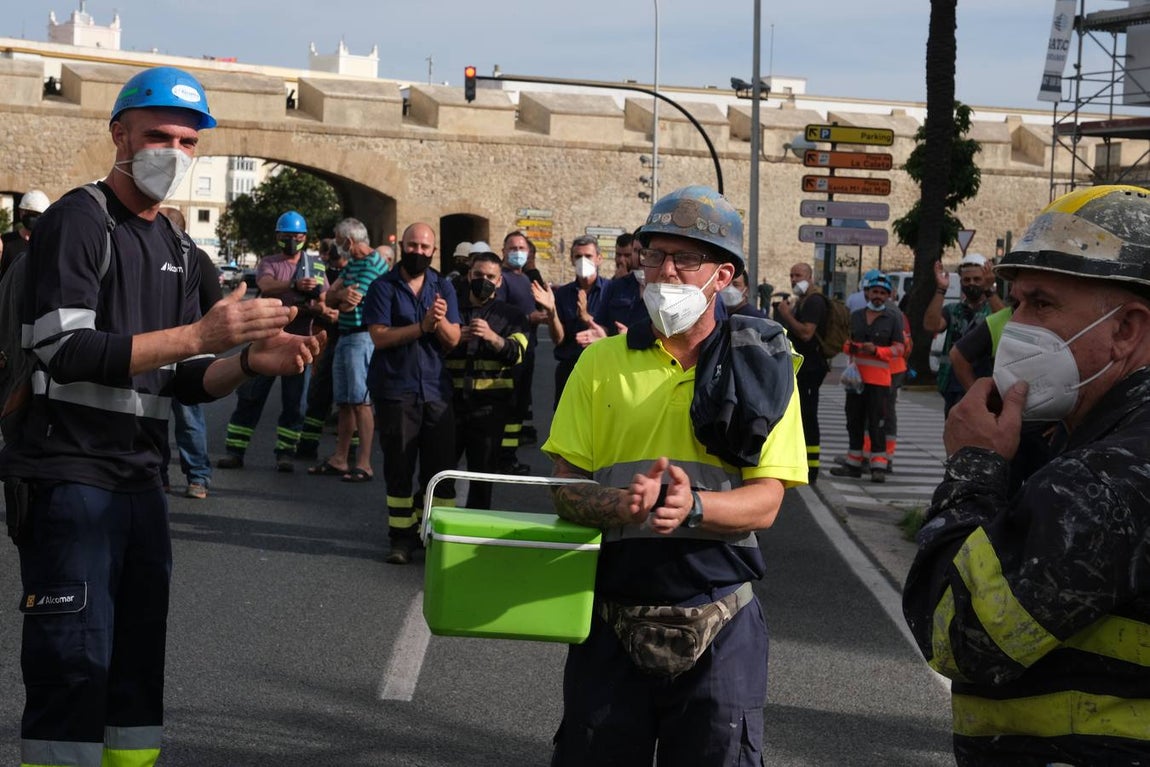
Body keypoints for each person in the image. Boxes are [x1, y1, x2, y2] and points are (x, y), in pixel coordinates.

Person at [0, 65, 321, 767]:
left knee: (136, 681)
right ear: (120, 133)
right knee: (71, 669)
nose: (172, 152)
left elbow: (184, 379)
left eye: (188, 140)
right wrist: (205, 335)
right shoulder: (78, 220)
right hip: (69, 478)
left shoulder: (178, 247)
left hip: (141, 482)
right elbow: (64, 346)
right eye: (158, 135)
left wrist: (248, 364)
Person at [542, 185, 807, 765]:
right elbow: (563, 487)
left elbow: (766, 503)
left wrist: (694, 506)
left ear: (724, 275)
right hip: (609, 620)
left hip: (721, 621)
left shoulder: (764, 364)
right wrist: (622, 506)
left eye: (686, 259)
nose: (665, 271)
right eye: (654, 254)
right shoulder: (598, 362)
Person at [903, 184, 1150, 765]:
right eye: (1014, 303)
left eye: (1041, 304)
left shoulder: (1110, 476)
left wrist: (974, 466)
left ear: (1126, 330)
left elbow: (957, 636)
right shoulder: (1092, 442)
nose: (1014, 328)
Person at [363, 221, 461, 565]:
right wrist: (421, 327)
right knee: (400, 466)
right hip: (396, 389)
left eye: (425, 247)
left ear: (434, 251)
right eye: (413, 246)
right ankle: (400, 538)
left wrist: (440, 323)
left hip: (436, 390)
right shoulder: (382, 286)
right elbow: (379, 336)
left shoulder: (443, 287)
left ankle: (433, 533)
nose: (418, 252)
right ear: (402, 245)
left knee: (440, 469)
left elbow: (453, 341)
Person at [218, 210, 328, 472]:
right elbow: (266, 284)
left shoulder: (317, 266)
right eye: (286, 236)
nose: (291, 241)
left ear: (304, 237)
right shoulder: (270, 262)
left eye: (296, 236)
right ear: (278, 237)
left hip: (300, 340)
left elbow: (325, 300)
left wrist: (318, 300)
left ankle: (285, 453)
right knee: (251, 396)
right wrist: (294, 284)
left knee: (295, 402)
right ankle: (235, 451)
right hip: (266, 339)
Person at [446, 247, 528, 507]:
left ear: (499, 281)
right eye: (479, 274)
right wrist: (456, 337)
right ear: (469, 275)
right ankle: (433, 530)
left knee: (482, 477)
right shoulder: (452, 310)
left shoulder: (511, 315)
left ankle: (472, 535)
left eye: (491, 277)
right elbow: (433, 349)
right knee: (440, 473)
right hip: (450, 405)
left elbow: (517, 354)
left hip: (489, 409)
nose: (484, 281)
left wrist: (493, 338)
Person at [310, 217, 388, 481]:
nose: (337, 245)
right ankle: (340, 458)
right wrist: (340, 297)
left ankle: (364, 463)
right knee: (344, 402)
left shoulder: (374, 263)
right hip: (344, 336)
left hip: (362, 337)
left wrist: (339, 298)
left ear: (349, 241)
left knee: (360, 401)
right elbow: (330, 297)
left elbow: (346, 304)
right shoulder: (354, 263)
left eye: (339, 239)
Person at [156, 206, 222, 499]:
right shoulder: (151, 256)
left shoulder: (197, 257)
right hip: (155, 349)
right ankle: (158, 476)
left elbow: (215, 306)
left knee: (188, 418)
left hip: (188, 352)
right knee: (150, 416)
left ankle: (198, 476)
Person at [828, 270, 903, 483]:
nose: (878, 295)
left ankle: (878, 466)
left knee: (877, 423)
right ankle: (853, 463)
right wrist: (855, 347)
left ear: (888, 296)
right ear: (867, 293)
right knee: (854, 421)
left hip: (879, 381)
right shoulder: (856, 317)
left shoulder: (892, 318)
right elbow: (843, 342)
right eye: (874, 291)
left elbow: (899, 348)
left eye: (882, 292)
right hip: (856, 380)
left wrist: (878, 351)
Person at [923, 252, 1005, 415]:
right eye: (966, 280)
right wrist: (941, 289)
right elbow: (931, 325)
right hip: (953, 386)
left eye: (977, 279)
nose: (971, 284)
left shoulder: (993, 310)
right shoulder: (953, 310)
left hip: (985, 386)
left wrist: (990, 291)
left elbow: (1006, 326)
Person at [773, 262, 828, 482]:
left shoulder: (814, 301)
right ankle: (803, 461)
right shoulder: (802, 300)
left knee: (808, 415)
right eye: (791, 275)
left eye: (798, 275)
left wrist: (786, 315)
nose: (794, 279)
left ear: (810, 277)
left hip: (812, 366)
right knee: (801, 414)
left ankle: (812, 467)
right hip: (804, 365)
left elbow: (806, 333)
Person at [296, 238, 349, 461]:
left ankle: (351, 448)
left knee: (349, 398)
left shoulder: (359, 273)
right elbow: (324, 297)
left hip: (346, 337)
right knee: (318, 395)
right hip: (329, 336)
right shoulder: (329, 272)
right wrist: (325, 308)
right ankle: (307, 445)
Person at [550, 235, 608, 407]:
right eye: (578, 257)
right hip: (569, 369)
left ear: (599, 258)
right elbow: (558, 339)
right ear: (571, 259)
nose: (583, 261)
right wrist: (551, 311)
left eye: (588, 256)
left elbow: (614, 332)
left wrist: (585, 316)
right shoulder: (563, 294)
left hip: (602, 369)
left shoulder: (612, 290)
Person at [0, 189, 51, 281]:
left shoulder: (49, 244)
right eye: (28, 212)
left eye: (36, 214)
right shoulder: (5, 242)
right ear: (20, 212)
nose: (32, 218)